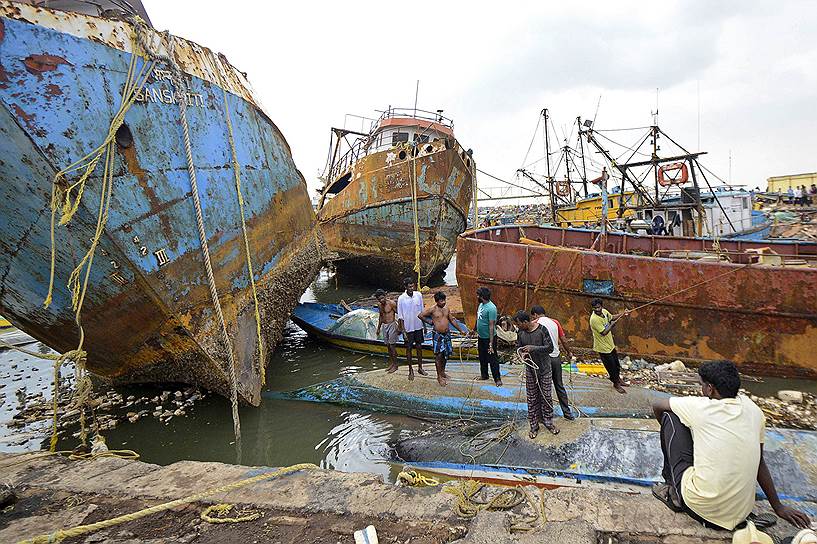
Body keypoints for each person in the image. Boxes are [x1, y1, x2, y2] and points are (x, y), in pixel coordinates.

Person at [650, 361, 811, 531]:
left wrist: (672, 440)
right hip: (741, 512)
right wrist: (778, 507)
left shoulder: (699, 406)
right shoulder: (754, 410)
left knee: (671, 418)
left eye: (702, 385)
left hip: (701, 509)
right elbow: (760, 462)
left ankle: (674, 493)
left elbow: (657, 405)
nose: (701, 390)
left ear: (710, 389)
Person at [514, 310, 558, 438]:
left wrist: (534, 348)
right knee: (532, 398)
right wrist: (522, 354)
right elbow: (518, 347)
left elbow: (550, 348)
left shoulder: (542, 330)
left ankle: (548, 422)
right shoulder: (520, 333)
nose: (517, 327)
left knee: (546, 396)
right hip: (530, 370)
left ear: (526, 322)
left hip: (544, 369)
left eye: (518, 324)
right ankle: (534, 425)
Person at [530, 305, 574, 420]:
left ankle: (543, 416)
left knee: (543, 387)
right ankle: (567, 413)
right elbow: (563, 340)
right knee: (559, 385)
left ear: (535, 314)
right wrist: (569, 352)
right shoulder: (555, 322)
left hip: (543, 360)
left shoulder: (534, 323)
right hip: (556, 358)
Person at [418, 291, 468, 386]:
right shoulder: (432, 309)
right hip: (438, 335)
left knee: (446, 354)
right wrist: (430, 322)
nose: (443, 302)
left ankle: (443, 372)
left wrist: (461, 330)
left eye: (444, 300)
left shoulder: (446, 309)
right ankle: (439, 376)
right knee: (438, 355)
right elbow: (420, 315)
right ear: (437, 301)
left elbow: (452, 320)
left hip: (447, 335)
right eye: (441, 301)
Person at [589, 298, 628, 394]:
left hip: (610, 344)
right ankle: (616, 384)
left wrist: (622, 313)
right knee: (611, 367)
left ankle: (618, 379)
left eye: (598, 307)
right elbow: (604, 332)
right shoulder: (594, 319)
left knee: (616, 364)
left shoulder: (605, 312)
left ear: (601, 306)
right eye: (594, 308)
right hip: (602, 347)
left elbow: (612, 317)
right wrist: (612, 325)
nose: (597, 310)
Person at [396, 278, 427, 381]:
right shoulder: (401, 299)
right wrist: (403, 332)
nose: (411, 288)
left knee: (419, 346)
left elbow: (422, 312)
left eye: (412, 286)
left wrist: (425, 326)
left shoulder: (418, 295)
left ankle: (420, 367)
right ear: (405, 287)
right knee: (408, 349)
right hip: (408, 328)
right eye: (409, 287)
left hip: (418, 326)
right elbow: (400, 317)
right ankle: (410, 370)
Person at [474, 287, 501, 386]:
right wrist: (474, 330)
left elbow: (491, 325)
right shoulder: (481, 305)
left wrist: (491, 342)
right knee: (482, 357)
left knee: (493, 358)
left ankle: (497, 378)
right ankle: (484, 375)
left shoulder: (491, 308)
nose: (477, 297)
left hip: (489, 338)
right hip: (481, 337)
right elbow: (478, 318)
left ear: (482, 297)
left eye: (478, 295)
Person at [375, 289, 399, 374]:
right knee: (388, 346)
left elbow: (399, 314)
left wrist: (400, 327)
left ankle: (395, 365)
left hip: (392, 325)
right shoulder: (379, 305)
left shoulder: (391, 303)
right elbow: (381, 316)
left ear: (385, 296)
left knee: (392, 346)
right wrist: (378, 328)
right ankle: (392, 363)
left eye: (382, 298)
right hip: (384, 326)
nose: (381, 300)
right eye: (379, 299)